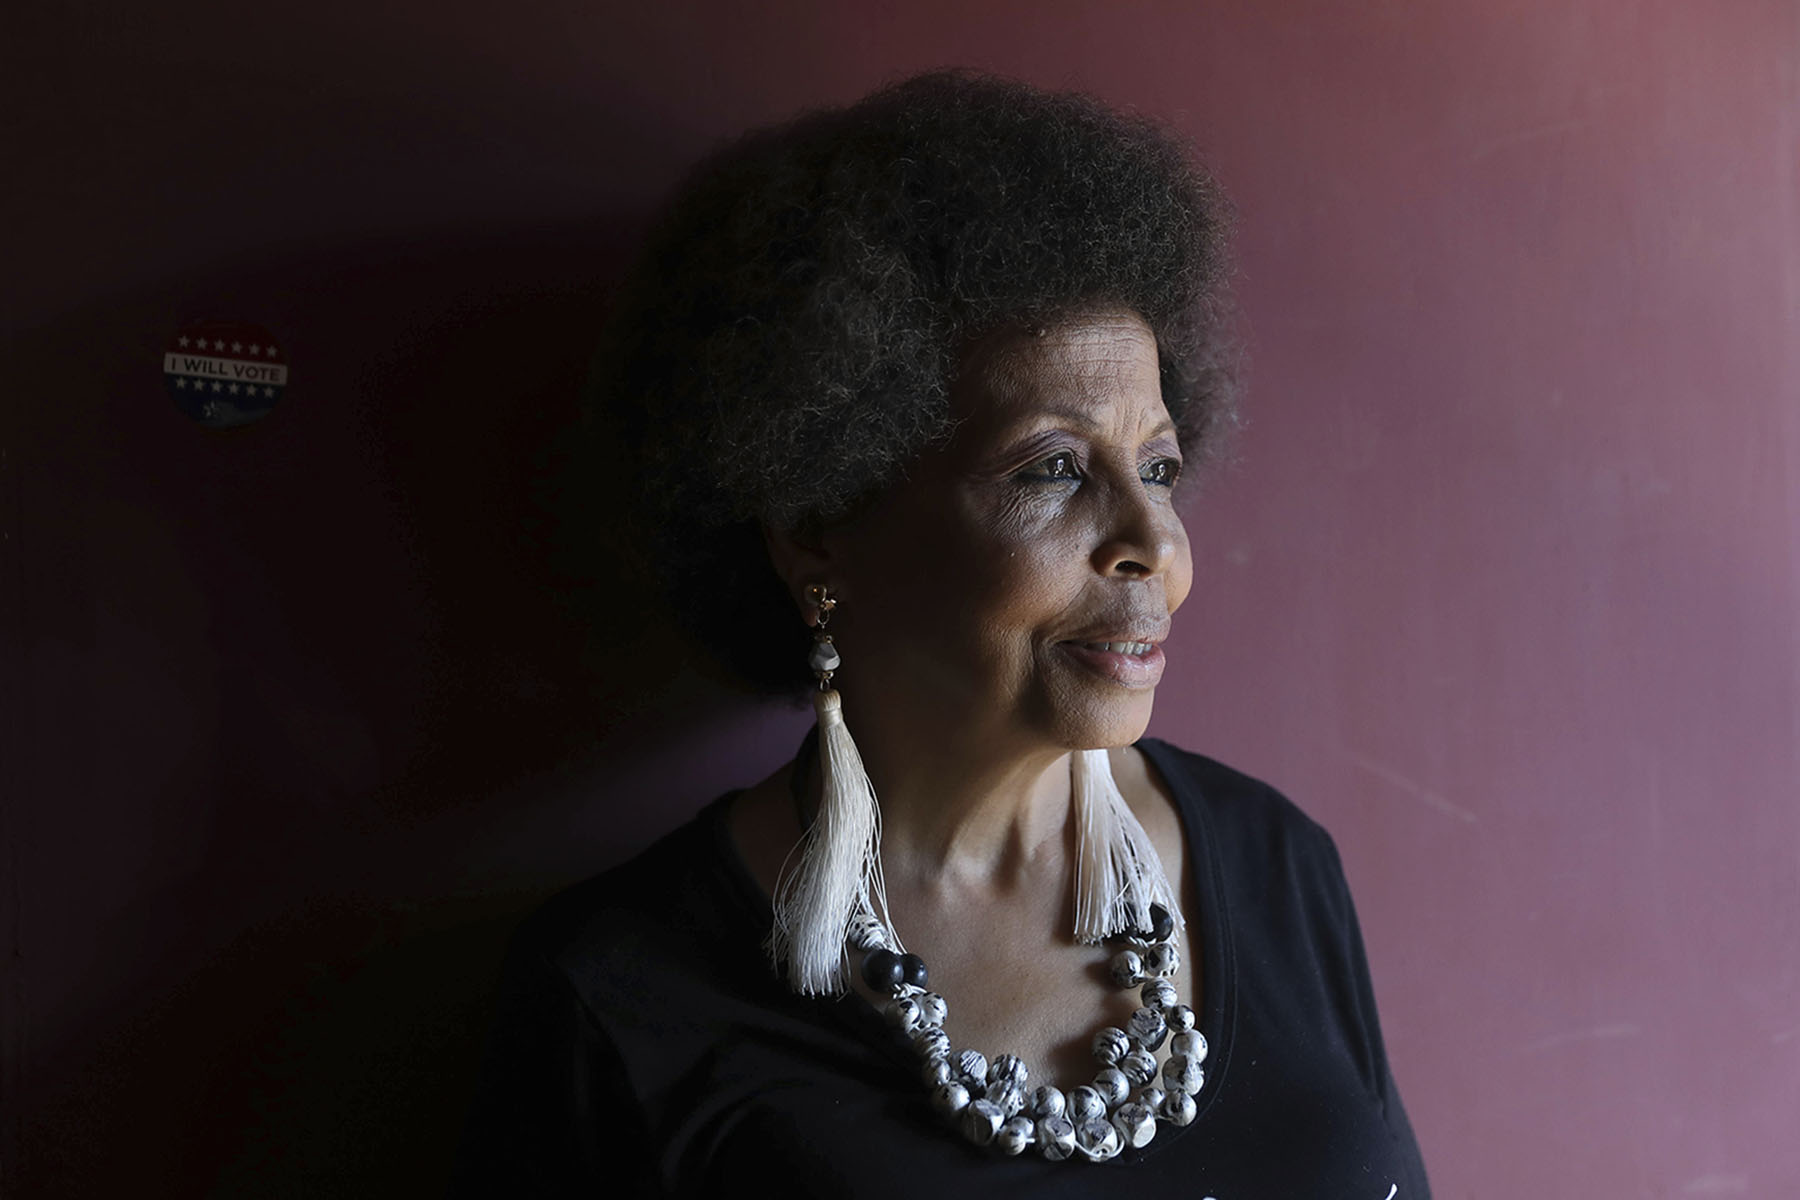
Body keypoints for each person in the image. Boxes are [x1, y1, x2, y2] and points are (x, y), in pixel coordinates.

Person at [453, 71, 1430, 1198]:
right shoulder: (625, 996)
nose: (1150, 542)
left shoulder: (1278, 867)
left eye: (1158, 467)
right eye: (1054, 468)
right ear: (819, 523)